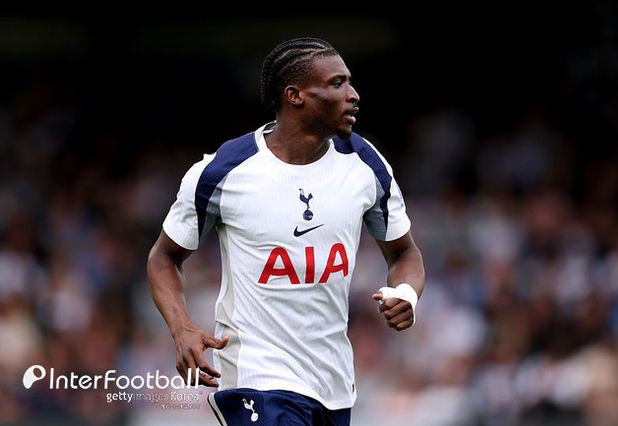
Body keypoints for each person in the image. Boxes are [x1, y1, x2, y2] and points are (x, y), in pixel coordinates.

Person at [147, 37, 425, 425]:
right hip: (256, 377)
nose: (353, 95)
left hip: (333, 381)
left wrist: (406, 292)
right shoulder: (224, 171)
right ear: (295, 96)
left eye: (349, 82)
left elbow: (404, 253)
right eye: (337, 83)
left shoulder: (365, 164)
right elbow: (164, 257)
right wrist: (182, 329)